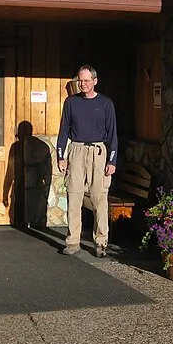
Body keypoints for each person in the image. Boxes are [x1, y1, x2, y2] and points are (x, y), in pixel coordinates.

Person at [56, 64, 118, 257]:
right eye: (80, 81)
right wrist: (61, 156)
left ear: (95, 81)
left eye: (86, 81)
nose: (82, 84)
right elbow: (63, 131)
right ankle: (73, 242)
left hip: (99, 152)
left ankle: (101, 242)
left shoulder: (106, 104)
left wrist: (112, 160)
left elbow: (113, 134)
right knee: (74, 196)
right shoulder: (71, 103)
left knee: (99, 198)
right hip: (76, 150)